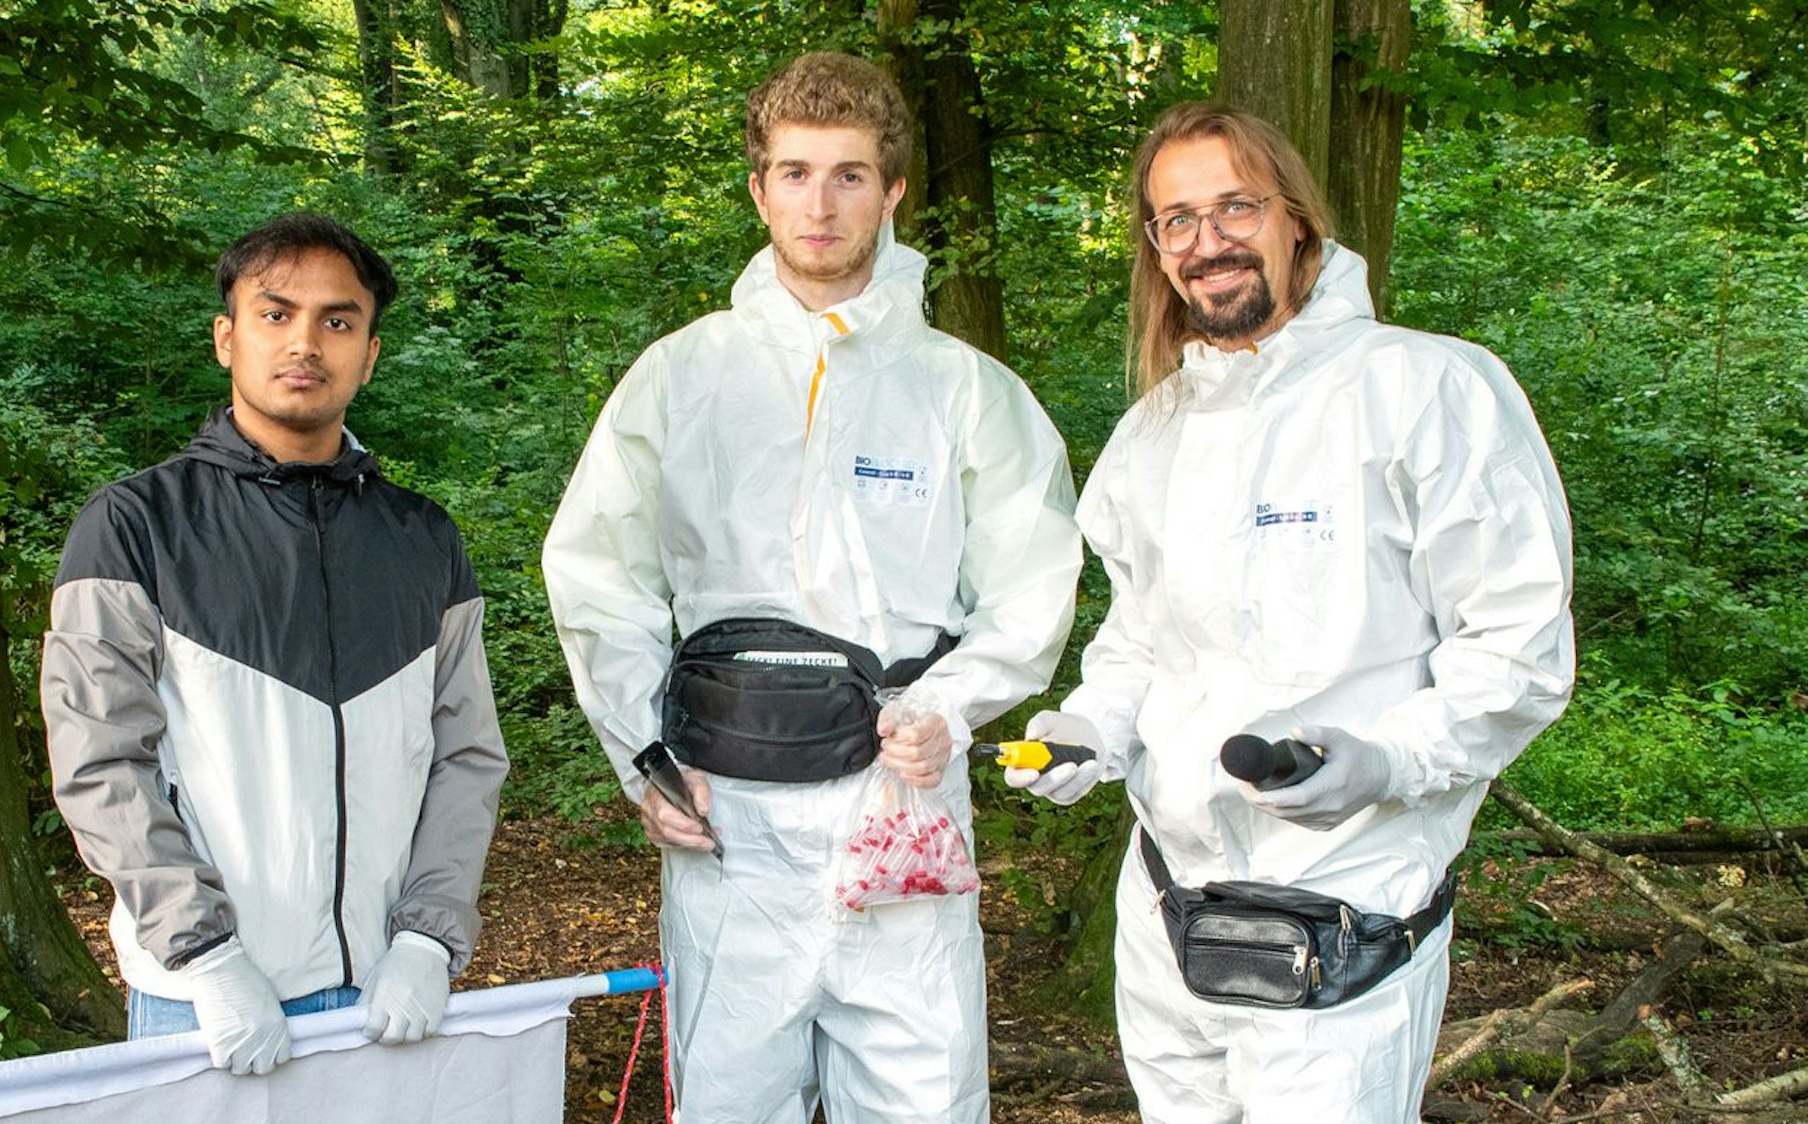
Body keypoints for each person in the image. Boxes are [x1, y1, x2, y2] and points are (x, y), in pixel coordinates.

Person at [1006, 102, 1575, 1121]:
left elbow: (1518, 649)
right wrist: (1092, 728)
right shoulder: (1153, 432)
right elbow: (1140, 635)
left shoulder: (1425, 388)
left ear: (1296, 219)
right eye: (1175, 218)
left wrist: (1386, 758)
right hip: (1168, 904)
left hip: (1347, 905)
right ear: (1153, 246)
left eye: (1234, 206)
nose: (1207, 240)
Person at [543, 52, 1081, 1124]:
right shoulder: (680, 377)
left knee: (923, 1102)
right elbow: (597, 575)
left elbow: (1032, 585)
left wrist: (948, 703)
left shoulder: (964, 390)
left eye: (848, 174)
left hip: (902, 802)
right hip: (724, 816)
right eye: (794, 172)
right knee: (731, 1100)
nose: (820, 202)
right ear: (758, 189)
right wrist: (642, 759)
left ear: (892, 193)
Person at [41, 213, 509, 1076]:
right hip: (210, 997)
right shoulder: (134, 526)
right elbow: (99, 761)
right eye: (275, 313)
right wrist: (202, 956)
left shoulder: (423, 540)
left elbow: (467, 755)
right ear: (227, 337)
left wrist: (430, 940)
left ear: (368, 354)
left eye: (338, 321)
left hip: (386, 995)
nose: (306, 342)